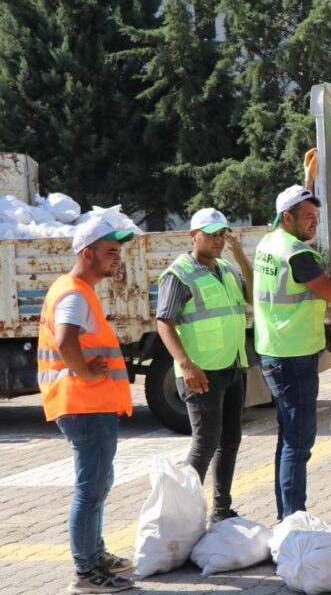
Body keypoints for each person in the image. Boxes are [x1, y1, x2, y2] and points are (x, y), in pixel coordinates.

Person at [254, 184, 331, 520]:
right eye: (308, 217)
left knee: (288, 439)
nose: (314, 222)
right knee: (298, 443)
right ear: (287, 217)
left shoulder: (269, 243)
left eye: (316, 216)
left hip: (275, 350)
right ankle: (294, 520)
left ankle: (288, 515)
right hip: (294, 355)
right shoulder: (297, 254)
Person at [38, 218, 135, 594]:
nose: (117, 259)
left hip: (84, 404)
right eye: (111, 252)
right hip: (84, 404)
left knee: (98, 482)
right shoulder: (75, 293)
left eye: (118, 252)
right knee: (90, 488)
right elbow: (65, 341)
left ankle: (95, 555)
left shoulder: (74, 289)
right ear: (87, 253)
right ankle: (86, 572)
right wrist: (86, 373)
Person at [155, 208, 251, 525]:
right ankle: (181, 518)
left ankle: (221, 510)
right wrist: (185, 364)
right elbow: (164, 322)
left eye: (222, 234)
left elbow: (252, 296)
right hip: (201, 372)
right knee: (205, 443)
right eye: (210, 234)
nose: (217, 240)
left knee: (230, 442)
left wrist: (241, 258)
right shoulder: (179, 274)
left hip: (232, 366)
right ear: (193, 236)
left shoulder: (226, 269)